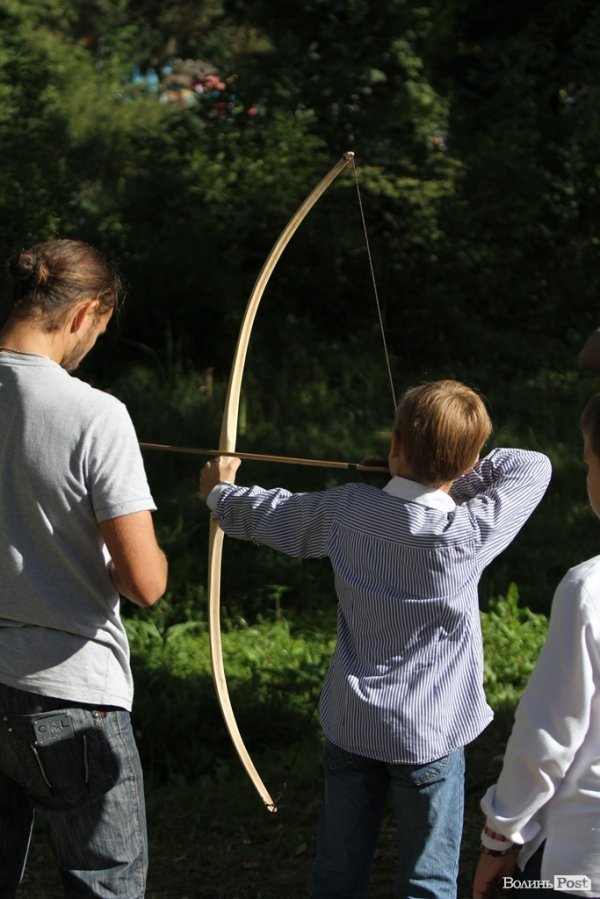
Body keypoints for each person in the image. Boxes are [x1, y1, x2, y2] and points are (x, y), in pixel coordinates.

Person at [199, 379, 552, 899]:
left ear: (394, 444)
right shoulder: (469, 533)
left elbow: (272, 515)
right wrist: (455, 479)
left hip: (353, 723)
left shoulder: (347, 512)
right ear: (470, 460)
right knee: (426, 882)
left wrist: (219, 492)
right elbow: (533, 465)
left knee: (338, 875)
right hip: (429, 735)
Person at [0, 239, 168, 898]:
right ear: (84, 312)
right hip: (70, 693)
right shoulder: (96, 414)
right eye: (98, 329)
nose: (90, 344)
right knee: (104, 885)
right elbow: (145, 581)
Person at [472, 395, 600, 899]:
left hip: (582, 873)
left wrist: (499, 841)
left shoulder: (588, 590)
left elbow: (546, 736)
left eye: (590, 461)